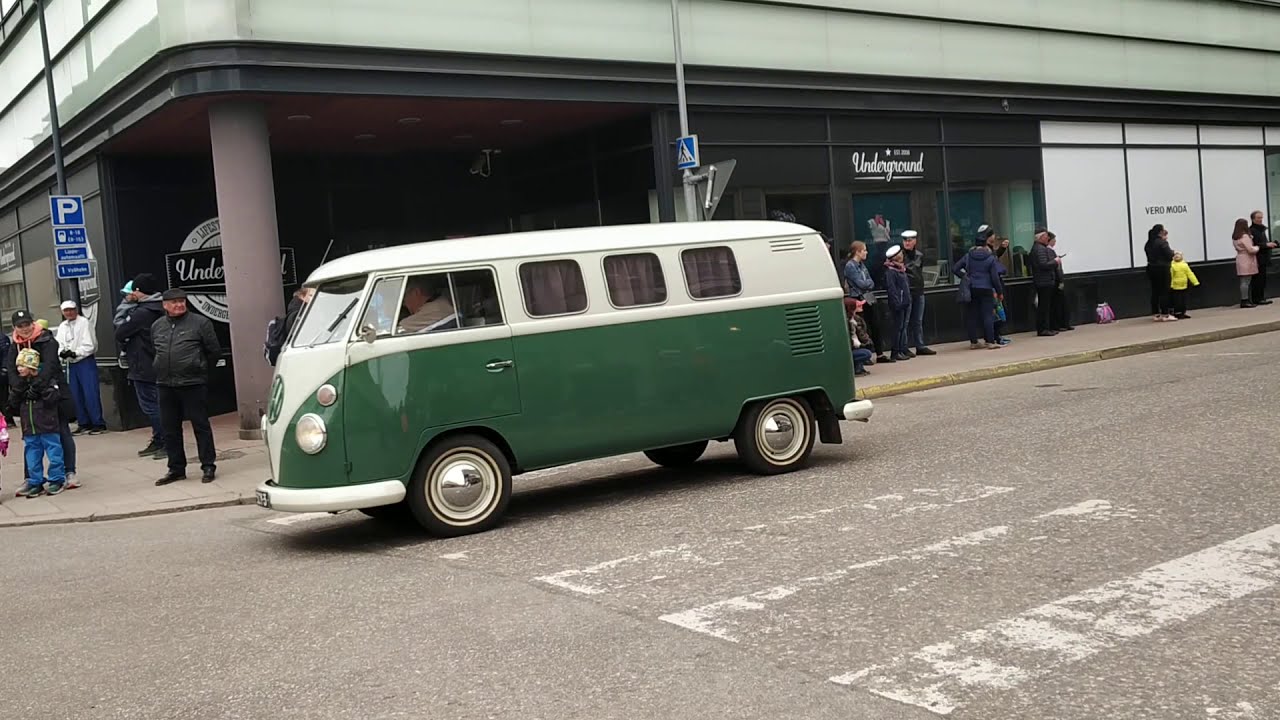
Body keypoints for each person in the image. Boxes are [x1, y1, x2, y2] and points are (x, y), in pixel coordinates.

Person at [152, 289, 221, 485]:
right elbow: (154, 350)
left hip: (193, 383)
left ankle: (208, 465)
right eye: (174, 302)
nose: (179, 305)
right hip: (165, 384)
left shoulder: (200, 323)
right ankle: (176, 469)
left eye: (182, 301)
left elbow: (213, 351)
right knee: (170, 429)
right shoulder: (157, 326)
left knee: (200, 426)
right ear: (164, 305)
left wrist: (199, 368)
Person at [7, 309, 78, 489]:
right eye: (20, 326)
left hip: (51, 393)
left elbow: (50, 366)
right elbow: (11, 369)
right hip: (27, 397)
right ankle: (31, 478)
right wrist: (20, 388)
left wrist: (36, 387)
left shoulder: (47, 340)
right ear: (15, 327)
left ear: (33, 323)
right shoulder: (14, 345)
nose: (24, 329)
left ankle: (68, 472)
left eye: (27, 324)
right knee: (31, 439)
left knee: (61, 432)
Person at [114, 273, 167, 459]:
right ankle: (161, 439)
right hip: (159, 362)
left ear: (138, 290)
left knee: (152, 406)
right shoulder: (161, 307)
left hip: (143, 364)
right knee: (158, 405)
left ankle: (164, 441)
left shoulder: (141, 313)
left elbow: (120, 333)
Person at [7, 348, 67, 498]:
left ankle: (57, 479)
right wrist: (18, 391)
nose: (19, 369)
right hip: (29, 427)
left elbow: (53, 399)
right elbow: (12, 404)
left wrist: (40, 390)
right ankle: (35, 481)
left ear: (32, 366)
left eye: (22, 365)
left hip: (48, 424)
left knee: (54, 453)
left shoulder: (46, 381)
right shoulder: (21, 383)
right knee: (32, 456)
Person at [56, 300, 106, 435]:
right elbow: (59, 343)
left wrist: (76, 352)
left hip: (85, 361)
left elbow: (90, 343)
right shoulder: (63, 326)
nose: (69, 312)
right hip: (70, 363)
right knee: (75, 394)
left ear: (76, 309)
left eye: (71, 309)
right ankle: (83, 422)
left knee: (90, 392)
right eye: (66, 310)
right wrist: (62, 353)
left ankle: (97, 422)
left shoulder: (84, 322)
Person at [843, 241, 892, 365]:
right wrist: (867, 284)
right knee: (862, 327)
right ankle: (865, 355)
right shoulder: (850, 266)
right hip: (858, 298)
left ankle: (880, 353)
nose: (866, 252)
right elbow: (860, 283)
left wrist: (867, 284)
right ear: (857, 252)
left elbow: (871, 282)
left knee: (875, 325)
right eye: (864, 250)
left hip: (869, 297)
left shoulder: (862, 265)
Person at [953, 236, 1005, 350]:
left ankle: (974, 342)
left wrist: (965, 276)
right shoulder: (990, 258)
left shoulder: (968, 256)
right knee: (988, 315)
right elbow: (995, 277)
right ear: (985, 245)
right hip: (986, 288)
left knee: (971, 315)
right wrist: (999, 291)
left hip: (972, 288)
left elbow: (955, 268)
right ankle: (990, 341)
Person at [900, 230, 935, 356]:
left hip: (918, 290)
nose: (907, 243)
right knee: (906, 321)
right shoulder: (900, 255)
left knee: (918, 320)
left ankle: (920, 345)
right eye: (905, 240)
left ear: (915, 241)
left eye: (909, 240)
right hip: (907, 291)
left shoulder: (920, 255)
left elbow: (919, 270)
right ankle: (904, 347)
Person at [882, 244, 912, 362]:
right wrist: (897, 302)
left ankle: (900, 350)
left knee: (902, 326)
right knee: (897, 328)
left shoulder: (901, 269)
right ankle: (895, 352)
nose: (902, 256)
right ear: (895, 257)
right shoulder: (891, 271)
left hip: (904, 301)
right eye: (899, 254)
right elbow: (892, 288)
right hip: (898, 303)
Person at [1030, 229, 1060, 336]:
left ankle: (1046, 328)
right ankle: (1043, 329)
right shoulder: (1040, 249)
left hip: (1043, 280)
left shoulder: (1039, 248)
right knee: (1044, 307)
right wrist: (1055, 262)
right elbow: (1043, 265)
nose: (1048, 238)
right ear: (1041, 237)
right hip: (1044, 281)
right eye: (1046, 236)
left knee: (1045, 306)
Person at [1144, 224, 1176, 321]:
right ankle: (1165, 314)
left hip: (1151, 268)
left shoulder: (1148, 243)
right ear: (1160, 232)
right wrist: (1173, 252)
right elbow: (1169, 255)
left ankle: (1155, 314)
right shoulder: (1162, 243)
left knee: (1155, 291)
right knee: (1164, 291)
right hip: (1162, 268)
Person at [1249, 211, 1277, 305]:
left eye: (1261, 217)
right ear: (1253, 219)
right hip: (1258, 258)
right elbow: (1254, 244)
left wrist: (1271, 244)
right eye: (1258, 218)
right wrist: (1266, 245)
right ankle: (1257, 298)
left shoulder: (1261, 230)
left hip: (1264, 257)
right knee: (1258, 279)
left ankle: (1261, 297)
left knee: (1263, 278)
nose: (1260, 219)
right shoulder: (1252, 230)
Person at [1048, 234, 1074, 331]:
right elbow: (1056, 268)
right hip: (1055, 281)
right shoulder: (1049, 251)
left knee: (1062, 303)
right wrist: (1060, 280)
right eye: (1054, 240)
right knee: (1058, 304)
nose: (1055, 242)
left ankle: (1064, 323)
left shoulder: (1051, 251)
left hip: (1057, 279)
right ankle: (1059, 324)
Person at [1233, 218, 1261, 309]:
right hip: (1247, 259)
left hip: (1240, 258)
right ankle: (1245, 300)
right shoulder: (1244, 236)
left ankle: (1244, 299)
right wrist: (1257, 247)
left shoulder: (1235, 236)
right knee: (1246, 281)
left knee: (1243, 281)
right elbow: (1250, 249)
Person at [1169, 251, 1199, 320]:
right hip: (1175, 286)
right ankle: (1177, 313)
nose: (1177, 257)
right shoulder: (1172, 265)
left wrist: (1195, 282)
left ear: (1182, 257)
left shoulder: (1185, 265)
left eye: (1178, 255)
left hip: (1184, 285)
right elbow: (1171, 276)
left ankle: (1183, 312)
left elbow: (1190, 273)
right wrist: (1171, 285)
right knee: (1177, 300)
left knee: (1183, 300)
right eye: (1175, 256)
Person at [848, 299, 875, 377]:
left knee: (862, 348)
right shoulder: (852, 320)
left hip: (856, 344)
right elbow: (860, 334)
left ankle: (859, 368)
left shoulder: (856, 318)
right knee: (865, 353)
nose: (861, 307)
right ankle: (857, 369)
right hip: (853, 346)